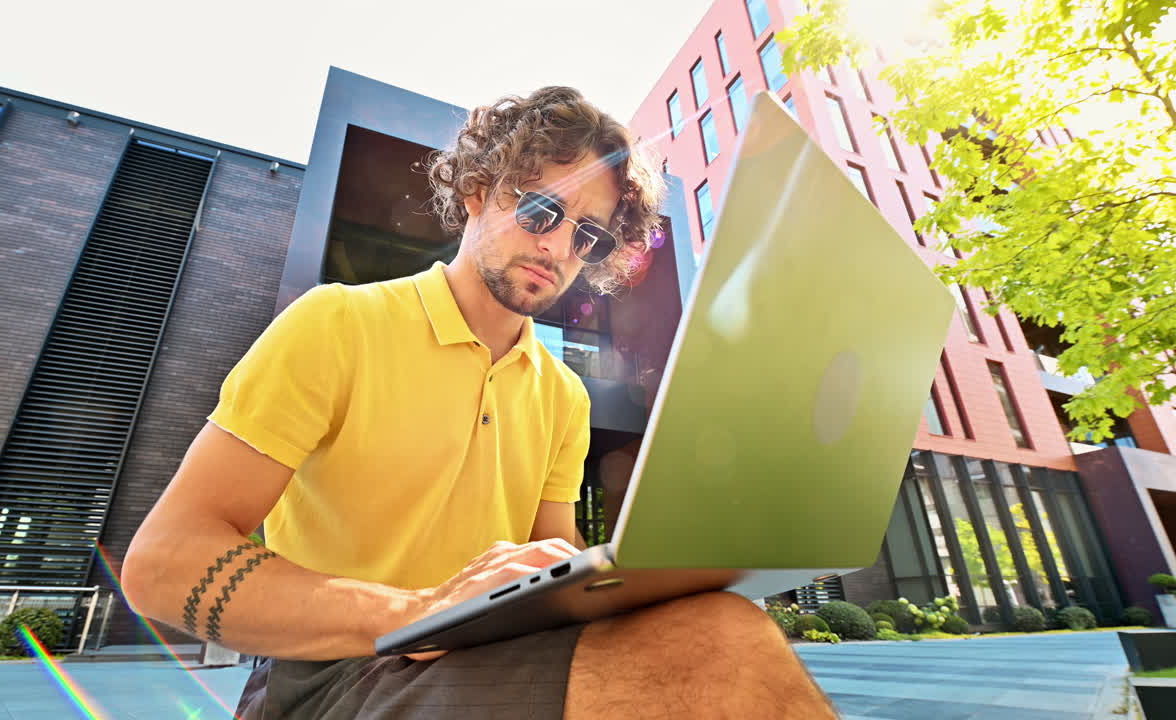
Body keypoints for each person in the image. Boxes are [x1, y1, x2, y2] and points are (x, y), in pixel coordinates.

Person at [121, 86, 837, 719]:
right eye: (538, 210)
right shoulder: (335, 325)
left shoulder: (562, 396)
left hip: (484, 654)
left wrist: (640, 579)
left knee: (723, 624)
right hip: (321, 678)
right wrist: (418, 612)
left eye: (586, 234)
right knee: (729, 651)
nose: (557, 247)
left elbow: (551, 560)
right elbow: (162, 563)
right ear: (474, 191)